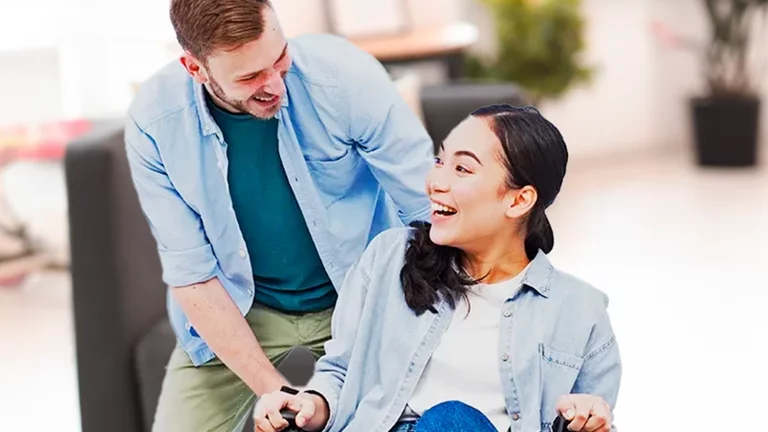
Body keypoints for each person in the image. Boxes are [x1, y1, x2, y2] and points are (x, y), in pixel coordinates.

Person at [124, 0, 434, 430]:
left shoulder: (343, 75)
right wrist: (275, 391)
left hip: (358, 294)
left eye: (280, 58)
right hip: (241, 308)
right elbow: (192, 274)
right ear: (195, 68)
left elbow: (428, 207)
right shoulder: (155, 121)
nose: (275, 84)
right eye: (251, 77)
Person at [253, 105, 622, 432]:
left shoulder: (580, 311)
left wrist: (591, 420)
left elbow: (587, 417)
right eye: (440, 162)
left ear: (518, 199)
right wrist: (308, 405)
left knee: (452, 421)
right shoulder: (388, 258)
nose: (435, 183)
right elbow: (341, 372)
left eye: (462, 168)